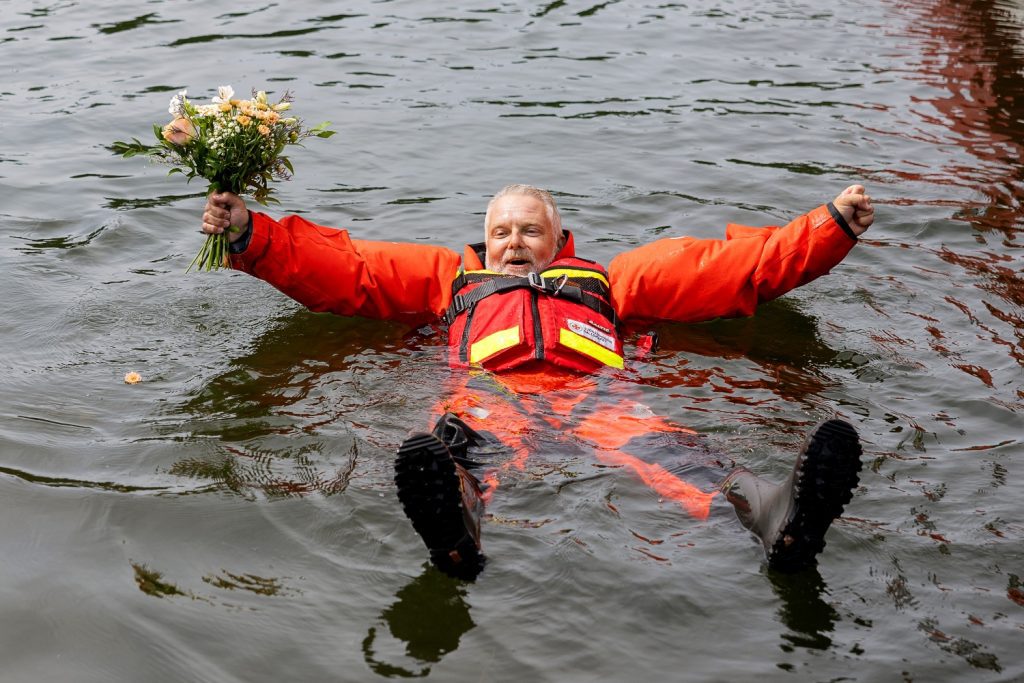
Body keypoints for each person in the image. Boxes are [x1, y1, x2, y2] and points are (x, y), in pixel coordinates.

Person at [201, 183, 875, 579]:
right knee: (451, 445)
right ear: (483, 241)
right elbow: (347, 269)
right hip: (492, 397)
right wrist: (250, 234)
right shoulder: (448, 279)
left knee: (675, 451)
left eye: (530, 230)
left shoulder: (614, 282)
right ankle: (458, 527)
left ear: (560, 243)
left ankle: (776, 515)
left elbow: (733, 268)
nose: (514, 240)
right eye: (501, 231)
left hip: (598, 400)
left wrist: (829, 226)